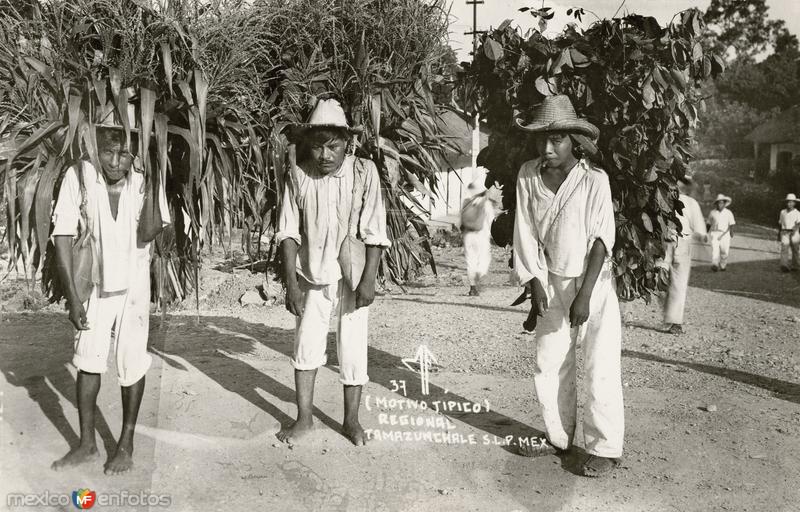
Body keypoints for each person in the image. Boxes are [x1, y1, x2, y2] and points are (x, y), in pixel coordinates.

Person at [513, 95, 623, 477]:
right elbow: (525, 231)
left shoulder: (594, 180)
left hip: (592, 281)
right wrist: (534, 282)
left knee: (598, 360)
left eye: (557, 139)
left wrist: (586, 295)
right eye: (542, 139)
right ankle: (558, 437)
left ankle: (605, 447)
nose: (548, 147)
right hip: (550, 278)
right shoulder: (528, 175)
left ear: (573, 141)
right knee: (550, 360)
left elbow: (601, 240)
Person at [50, 113, 166, 475]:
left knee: (132, 362)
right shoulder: (80, 176)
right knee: (87, 360)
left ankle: (126, 444)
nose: (116, 162)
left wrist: (154, 172)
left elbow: (148, 234)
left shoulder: (144, 180)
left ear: (135, 152)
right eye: (108, 152)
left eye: (124, 153)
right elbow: (63, 237)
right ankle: (86, 443)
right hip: (94, 285)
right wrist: (72, 297)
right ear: (95, 147)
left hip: (133, 285)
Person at [275, 99, 390, 446]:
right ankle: (305, 418)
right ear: (308, 145)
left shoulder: (363, 172)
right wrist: (291, 284)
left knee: (353, 348)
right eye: (318, 146)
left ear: (347, 144)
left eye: (334, 146)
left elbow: (374, 230)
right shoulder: (298, 176)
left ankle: (351, 421)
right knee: (306, 344)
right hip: (312, 274)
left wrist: (369, 279)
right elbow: (289, 231)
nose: (325, 155)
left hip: (352, 276)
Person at [661, 174, 708, 335]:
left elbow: (699, 228)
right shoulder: (663, 199)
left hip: (682, 242)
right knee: (660, 279)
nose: (679, 185)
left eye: (682, 183)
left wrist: (703, 239)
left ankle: (674, 321)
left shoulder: (690, 203)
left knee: (678, 283)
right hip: (664, 241)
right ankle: (668, 317)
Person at [461, 178, 501, 296]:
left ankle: (472, 288)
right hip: (482, 235)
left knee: (470, 260)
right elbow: (491, 221)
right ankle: (479, 276)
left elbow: (461, 222)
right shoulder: (486, 203)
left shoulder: (466, 203)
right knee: (483, 260)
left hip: (468, 235)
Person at [706, 194, 735, 272]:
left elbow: (731, 223)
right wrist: (706, 233)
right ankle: (715, 264)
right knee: (715, 250)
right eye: (719, 203)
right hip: (714, 233)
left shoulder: (728, 213)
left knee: (724, 251)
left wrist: (731, 232)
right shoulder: (713, 212)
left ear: (725, 204)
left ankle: (723, 265)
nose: (720, 204)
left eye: (722, 203)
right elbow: (708, 223)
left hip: (725, 234)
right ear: (716, 204)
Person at [778, 193, 800, 272]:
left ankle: (795, 265)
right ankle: (784, 265)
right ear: (786, 203)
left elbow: (798, 223)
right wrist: (779, 233)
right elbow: (780, 223)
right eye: (788, 202)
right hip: (785, 232)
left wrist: (795, 229)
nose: (790, 204)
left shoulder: (797, 213)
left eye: (791, 202)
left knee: (795, 249)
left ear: (794, 203)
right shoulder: (782, 212)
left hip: (794, 232)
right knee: (784, 248)